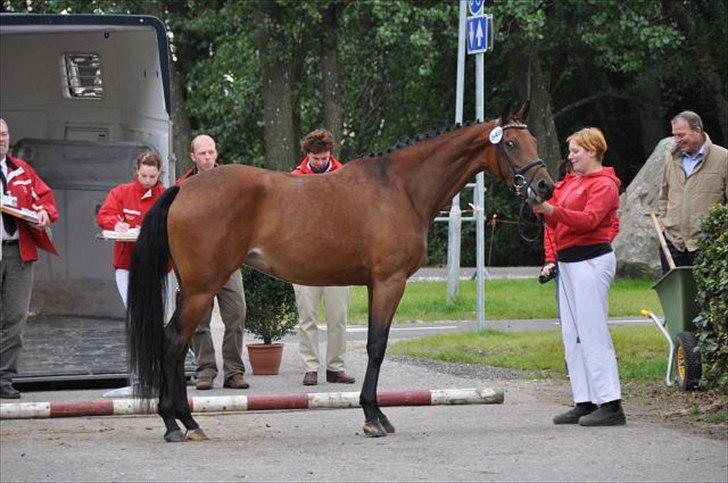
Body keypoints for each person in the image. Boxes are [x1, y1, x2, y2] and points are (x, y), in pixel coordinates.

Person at [533, 127, 625, 426]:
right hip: (569, 261)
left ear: (593, 151)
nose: (570, 157)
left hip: (591, 260)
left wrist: (551, 210)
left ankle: (611, 403)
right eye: (570, 151)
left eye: (575, 151)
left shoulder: (604, 184)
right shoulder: (572, 182)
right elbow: (554, 216)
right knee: (572, 335)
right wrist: (538, 206)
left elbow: (588, 221)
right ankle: (584, 400)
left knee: (593, 332)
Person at [96, 149, 175, 397]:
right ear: (136, 173)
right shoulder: (121, 192)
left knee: (158, 319)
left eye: (152, 176)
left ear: (159, 174)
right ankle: (140, 377)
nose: (148, 181)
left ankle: (158, 376)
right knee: (138, 317)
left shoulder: (166, 195)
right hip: (127, 266)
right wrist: (115, 223)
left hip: (157, 267)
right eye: (143, 176)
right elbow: (105, 214)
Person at [177, 134, 249, 390]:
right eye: (202, 153)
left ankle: (234, 370)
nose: (207, 157)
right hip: (199, 263)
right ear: (193, 157)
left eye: (211, 152)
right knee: (199, 318)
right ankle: (205, 369)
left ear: (216, 154)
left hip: (229, 261)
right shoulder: (182, 187)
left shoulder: (232, 183)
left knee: (236, 314)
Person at [0, 118, 59, 399]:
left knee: (15, 318)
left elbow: (45, 199)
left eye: (5, 134)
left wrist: (46, 213)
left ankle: (4, 378)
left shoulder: (21, 170)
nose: (2, 139)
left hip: (17, 252)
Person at [291, 129, 355, 386]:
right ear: (308, 155)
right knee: (307, 317)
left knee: (338, 317)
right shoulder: (295, 178)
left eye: (323, 157)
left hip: (339, 259)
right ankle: (310, 367)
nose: (319, 162)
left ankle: (335, 367)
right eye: (315, 158)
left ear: (331, 154)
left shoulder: (345, 176)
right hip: (305, 258)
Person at [657, 111, 728, 273]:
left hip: (708, 244)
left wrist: (720, 236)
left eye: (681, 135)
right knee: (675, 297)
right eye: (674, 135)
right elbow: (664, 195)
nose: (677, 140)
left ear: (697, 131)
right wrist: (664, 225)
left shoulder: (723, 158)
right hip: (673, 243)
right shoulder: (671, 158)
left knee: (708, 297)